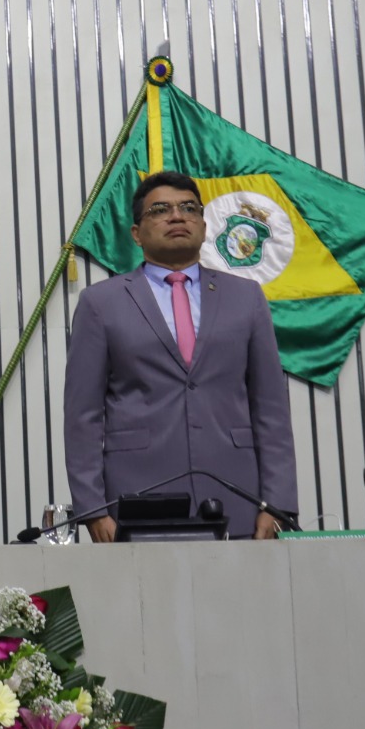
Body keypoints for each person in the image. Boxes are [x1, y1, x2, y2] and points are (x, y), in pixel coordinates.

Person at [63, 170, 297, 540]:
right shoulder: (100, 303)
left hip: (238, 499)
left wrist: (277, 504)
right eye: (160, 209)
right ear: (136, 233)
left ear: (204, 227)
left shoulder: (247, 298)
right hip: (136, 499)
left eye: (189, 208)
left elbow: (271, 409)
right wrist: (93, 510)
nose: (177, 216)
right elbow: (83, 417)